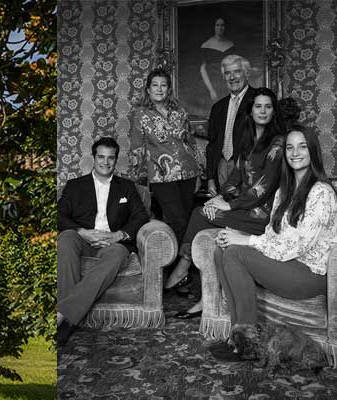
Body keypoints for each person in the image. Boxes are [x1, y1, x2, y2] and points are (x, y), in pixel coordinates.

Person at [209, 127, 337, 361]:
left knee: (236, 253)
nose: (295, 152)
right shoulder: (283, 190)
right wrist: (237, 234)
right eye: (290, 147)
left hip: (307, 274)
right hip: (283, 265)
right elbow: (272, 235)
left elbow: (297, 246)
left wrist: (246, 240)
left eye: (302, 146)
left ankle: (249, 343)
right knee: (222, 250)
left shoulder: (321, 192)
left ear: (313, 151)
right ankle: (236, 337)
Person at [165, 88, 288, 319]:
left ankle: (184, 270)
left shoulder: (278, 144)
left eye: (268, 106)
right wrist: (221, 197)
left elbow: (264, 187)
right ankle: (198, 286)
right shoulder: (249, 139)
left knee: (201, 214)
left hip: (262, 214)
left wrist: (230, 206)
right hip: (244, 206)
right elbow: (235, 177)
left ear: (274, 111)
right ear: (250, 111)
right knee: (203, 211)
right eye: (258, 106)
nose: (262, 111)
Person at [57, 137, 150, 346]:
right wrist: (82, 232)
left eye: (111, 158)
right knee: (65, 238)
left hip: (112, 242)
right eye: (101, 157)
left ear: (116, 160)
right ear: (93, 157)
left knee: (118, 253)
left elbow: (140, 216)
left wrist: (118, 235)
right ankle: (69, 316)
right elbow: (59, 215)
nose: (105, 162)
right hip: (83, 239)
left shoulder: (126, 187)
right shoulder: (75, 186)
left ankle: (63, 316)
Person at [128, 69, 201, 248]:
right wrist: (140, 179)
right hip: (162, 175)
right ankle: (173, 265)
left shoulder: (180, 111)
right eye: (155, 85)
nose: (159, 89)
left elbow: (191, 143)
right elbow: (137, 148)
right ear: (148, 89)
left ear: (169, 89)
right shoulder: (140, 115)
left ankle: (176, 264)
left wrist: (199, 173)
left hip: (188, 173)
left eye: (163, 85)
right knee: (178, 220)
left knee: (187, 218)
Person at [206, 55, 256, 196]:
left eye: (237, 71)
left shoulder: (258, 100)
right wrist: (210, 178)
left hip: (247, 166)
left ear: (246, 73)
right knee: (225, 212)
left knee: (246, 210)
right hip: (221, 166)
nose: (232, 77)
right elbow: (212, 144)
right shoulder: (218, 107)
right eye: (228, 73)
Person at [199, 18, 235, 102]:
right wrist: (211, 90)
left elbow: (233, 67)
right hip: (211, 84)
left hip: (227, 84)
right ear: (214, 27)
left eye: (222, 25)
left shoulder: (231, 45)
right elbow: (202, 69)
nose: (220, 28)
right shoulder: (206, 45)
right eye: (217, 25)